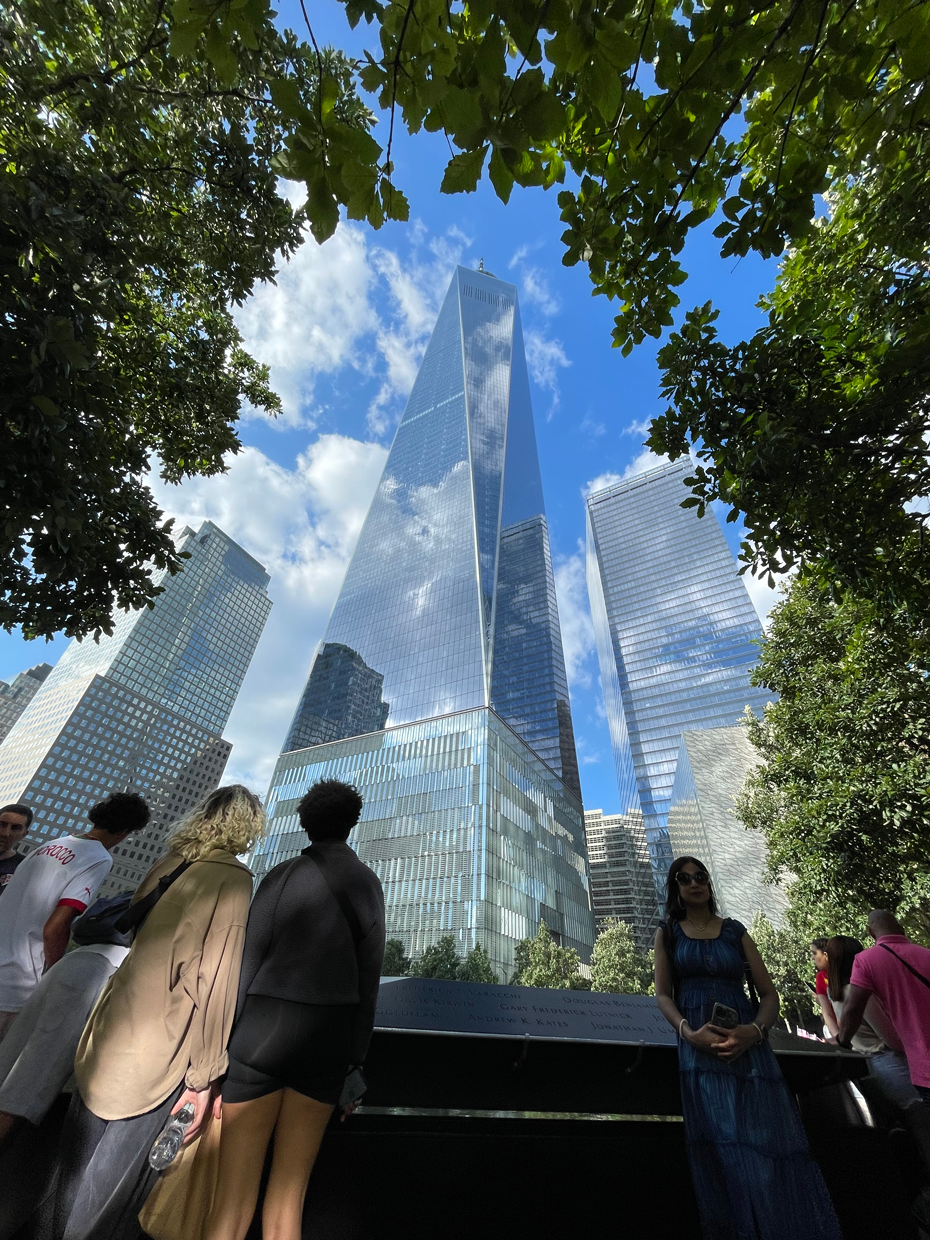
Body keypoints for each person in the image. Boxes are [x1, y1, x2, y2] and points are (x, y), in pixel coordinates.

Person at [52, 784, 264, 1240]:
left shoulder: (168, 862)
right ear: (249, 827)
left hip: (111, 1026)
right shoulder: (232, 878)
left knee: (69, 1169)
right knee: (111, 1188)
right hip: (162, 1043)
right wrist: (205, 1074)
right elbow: (217, 977)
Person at [205, 779, 385, 1240]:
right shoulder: (368, 884)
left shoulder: (281, 875)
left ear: (304, 824)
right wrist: (355, 1060)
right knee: (289, 1200)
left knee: (230, 1201)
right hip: (327, 1042)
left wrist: (224, 1046)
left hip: (261, 1034)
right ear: (353, 822)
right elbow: (369, 984)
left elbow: (246, 963)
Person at [653, 855, 842, 1240]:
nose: (695, 883)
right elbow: (662, 995)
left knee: (768, 1144)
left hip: (750, 1047)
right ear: (675, 888)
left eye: (701, 876)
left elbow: (770, 994)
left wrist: (754, 1031)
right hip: (699, 1053)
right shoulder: (668, 932)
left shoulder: (734, 930)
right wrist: (688, 1032)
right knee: (722, 1149)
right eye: (684, 879)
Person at [0, 792, 148, 1041]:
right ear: (124, 832)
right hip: (16, 982)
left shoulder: (49, 846)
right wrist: (54, 974)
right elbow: (57, 925)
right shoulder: (98, 858)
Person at [0, 894, 132, 1145]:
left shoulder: (151, 890)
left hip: (77, 960)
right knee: (25, 1086)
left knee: (9, 1063)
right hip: (101, 972)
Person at [825, 934, 930, 1174]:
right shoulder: (859, 992)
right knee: (924, 1129)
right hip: (894, 1065)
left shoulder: (836, 993)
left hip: (875, 1065)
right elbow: (891, 1038)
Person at [838, 910, 930, 1110]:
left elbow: (854, 1008)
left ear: (871, 932)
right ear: (901, 928)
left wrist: (842, 1040)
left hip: (924, 1065)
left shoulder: (865, 961)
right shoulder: (926, 953)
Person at [0, 804, 32, 896]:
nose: (6, 833)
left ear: (24, 834)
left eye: (15, 828)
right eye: (2, 824)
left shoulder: (24, 868)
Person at [812, 937, 839, 1038]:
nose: (812, 957)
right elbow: (826, 1012)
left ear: (826, 955)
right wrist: (838, 1037)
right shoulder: (820, 977)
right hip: (839, 1032)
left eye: (815, 953)